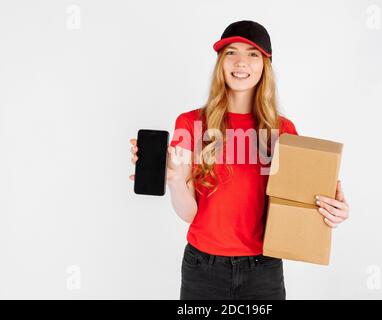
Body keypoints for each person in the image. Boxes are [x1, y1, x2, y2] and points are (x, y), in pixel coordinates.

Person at [129, 20, 350, 300]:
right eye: (231, 52)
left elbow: (299, 205)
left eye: (252, 54)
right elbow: (188, 214)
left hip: (263, 269)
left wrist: (331, 212)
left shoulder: (284, 131)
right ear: (221, 63)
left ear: (265, 65)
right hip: (202, 268)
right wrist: (173, 179)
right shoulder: (190, 123)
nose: (241, 62)